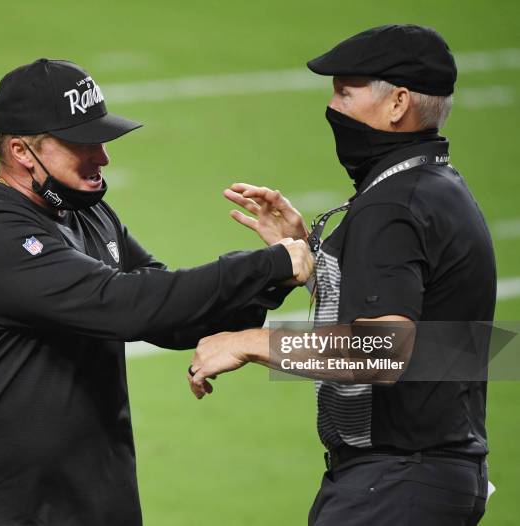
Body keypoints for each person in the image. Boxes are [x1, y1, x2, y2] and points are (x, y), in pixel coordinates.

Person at [0, 58, 313, 525]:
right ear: (22, 151)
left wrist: (272, 284)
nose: (103, 157)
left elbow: (172, 315)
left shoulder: (92, 215)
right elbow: (124, 304)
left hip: (85, 501)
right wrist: (266, 262)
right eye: (83, 143)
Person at [187, 25, 495, 525]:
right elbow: (433, 329)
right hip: (433, 477)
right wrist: (313, 256)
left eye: (344, 92)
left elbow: (383, 351)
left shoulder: (393, 205)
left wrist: (250, 342)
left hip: (396, 484)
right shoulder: (441, 188)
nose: (332, 107)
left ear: (397, 103)